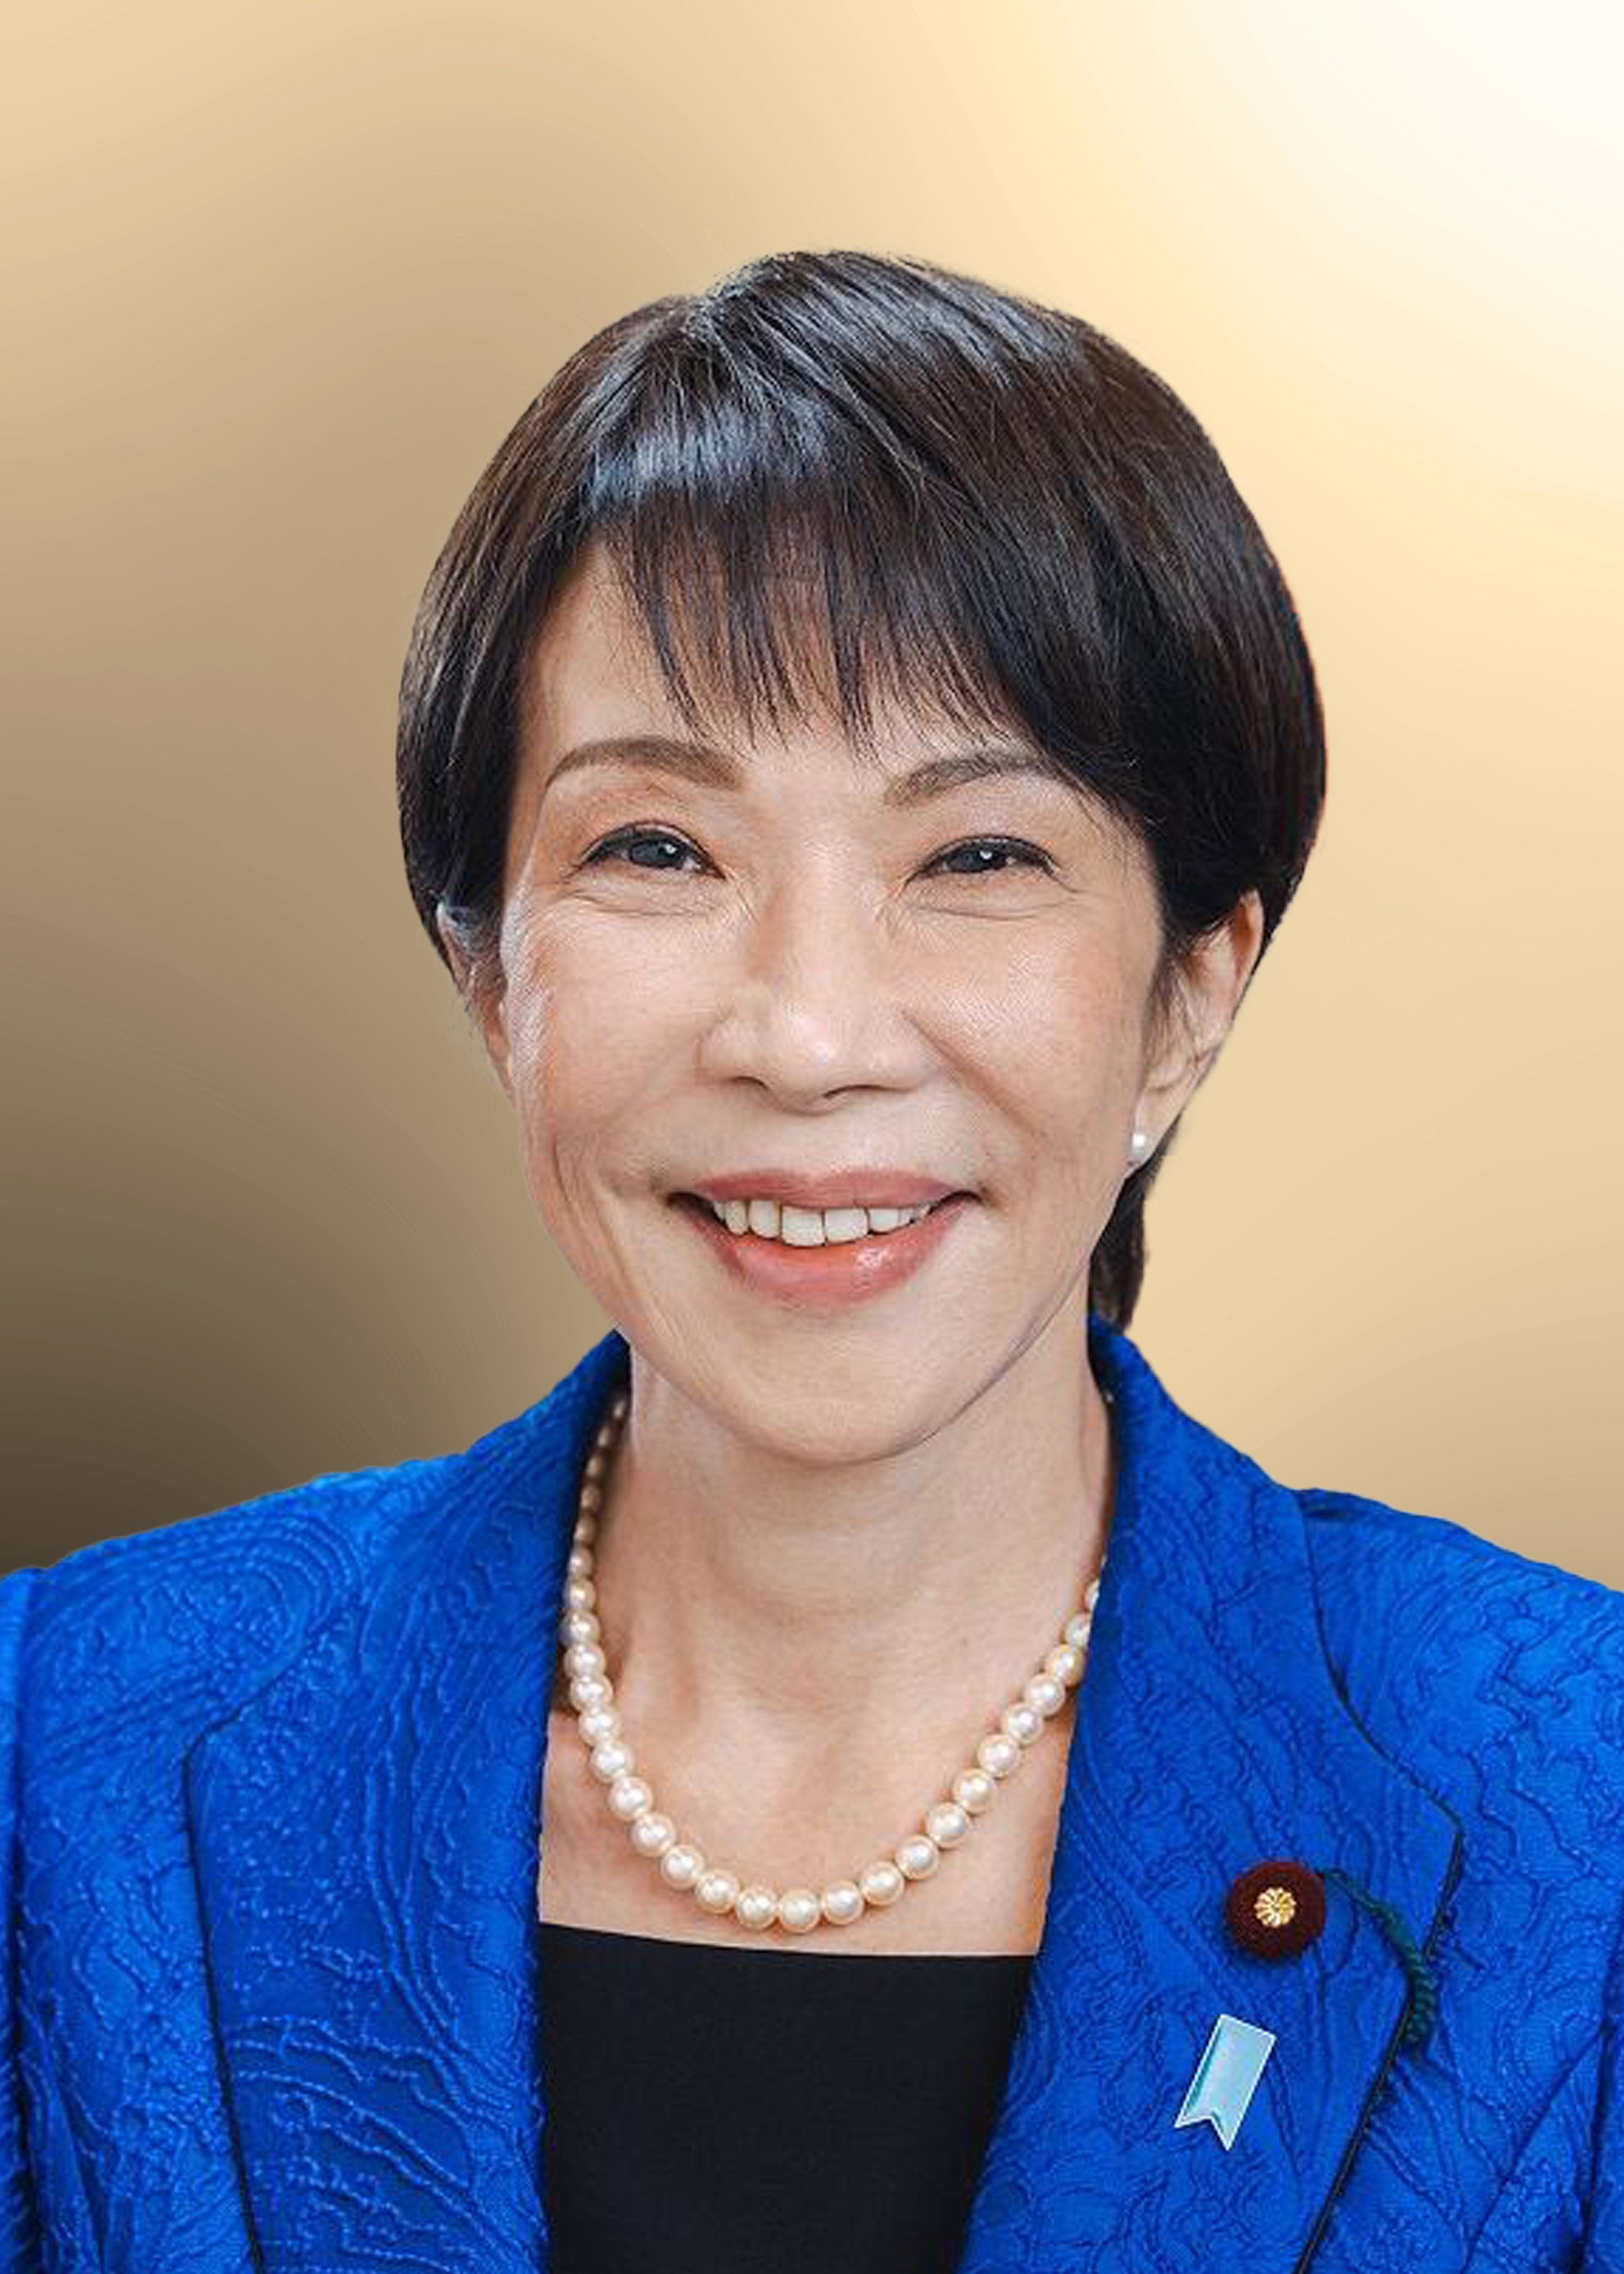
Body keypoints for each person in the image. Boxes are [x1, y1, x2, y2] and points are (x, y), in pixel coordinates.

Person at [3, 250, 1621, 2274]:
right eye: (657, 850)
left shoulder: (1573, 1801)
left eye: (977, 857)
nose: (809, 1033)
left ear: (1190, 995)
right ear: (487, 972)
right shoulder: (63, 1750)